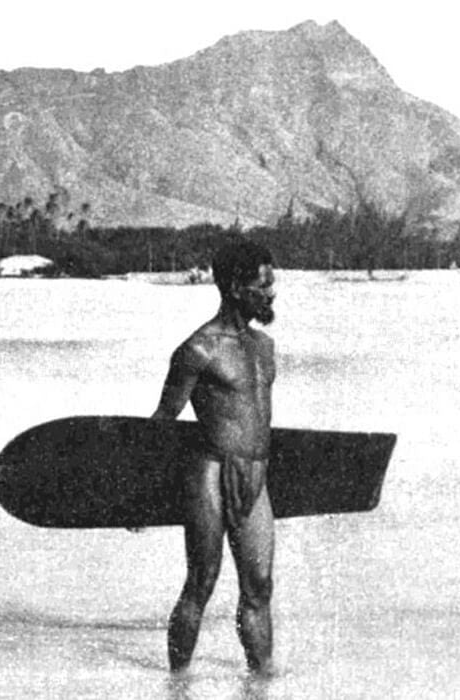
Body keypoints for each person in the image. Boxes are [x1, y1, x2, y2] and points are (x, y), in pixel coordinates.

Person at [151, 239, 278, 675]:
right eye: (263, 285)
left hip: (256, 476)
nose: (272, 292)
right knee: (201, 583)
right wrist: (136, 488)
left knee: (259, 587)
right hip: (210, 471)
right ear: (236, 287)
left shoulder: (265, 347)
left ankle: (261, 684)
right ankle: (177, 685)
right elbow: (164, 419)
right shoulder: (198, 350)